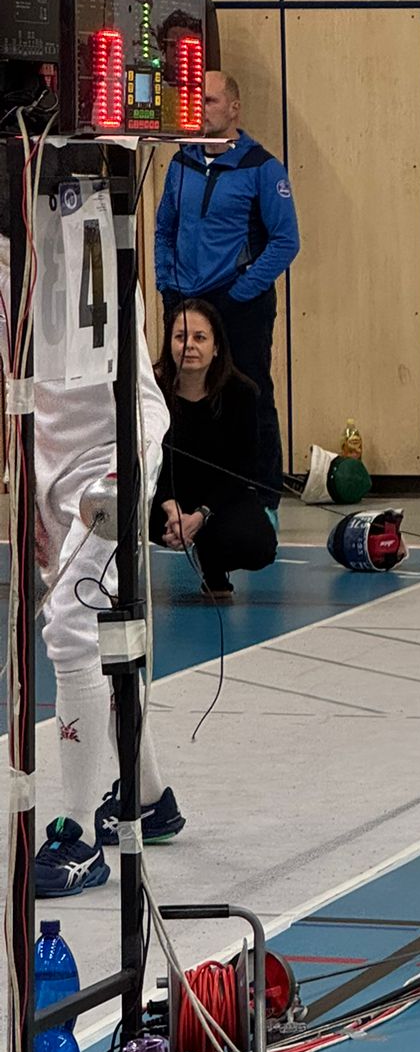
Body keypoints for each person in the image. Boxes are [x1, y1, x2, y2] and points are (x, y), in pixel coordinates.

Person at [2, 159, 185, 894]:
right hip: (47, 451)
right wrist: (21, 481)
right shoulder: (10, 237)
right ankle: (150, 797)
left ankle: (77, 835)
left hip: (117, 443)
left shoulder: (90, 191)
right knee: (105, 632)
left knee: (73, 627)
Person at [154, 70, 298, 506]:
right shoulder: (181, 163)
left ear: (234, 108)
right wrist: (167, 284)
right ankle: (185, 490)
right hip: (185, 299)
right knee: (179, 393)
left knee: (251, 392)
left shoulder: (262, 167)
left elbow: (285, 241)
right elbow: (164, 230)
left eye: (210, 100)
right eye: (195, 100)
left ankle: (263, 496)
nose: (200, 109)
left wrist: (241, 291)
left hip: (239, 303)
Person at [151, 298, 280, 601]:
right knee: (117, 515)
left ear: (217, 347)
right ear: (169, 343)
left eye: (200, 337)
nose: (189, 346)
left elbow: (242, 470)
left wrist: (200, 515)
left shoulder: (242, 394)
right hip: (162, 499)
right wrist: (170, 507)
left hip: (220, 500)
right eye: (180, 337)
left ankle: (213, 563)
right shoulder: (151, 392)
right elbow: (143, 460)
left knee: (258, 545)